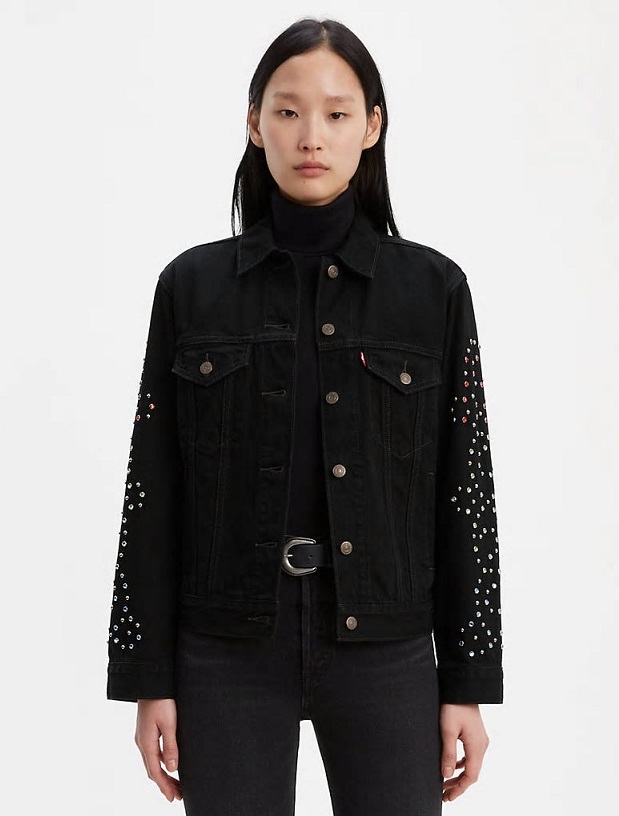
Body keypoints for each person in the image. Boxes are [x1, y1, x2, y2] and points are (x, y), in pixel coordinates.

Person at [106, 16, 504, 815]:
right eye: (286, 111)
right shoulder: (191, 286)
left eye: (335, 112)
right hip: (224, 651)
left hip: (386, 648)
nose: (310, 136)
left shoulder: (432, 290)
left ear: (372, 125)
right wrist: (147, 678)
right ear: (255, 124)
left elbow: (464, 494)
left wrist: (467, 680)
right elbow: (153, 487)